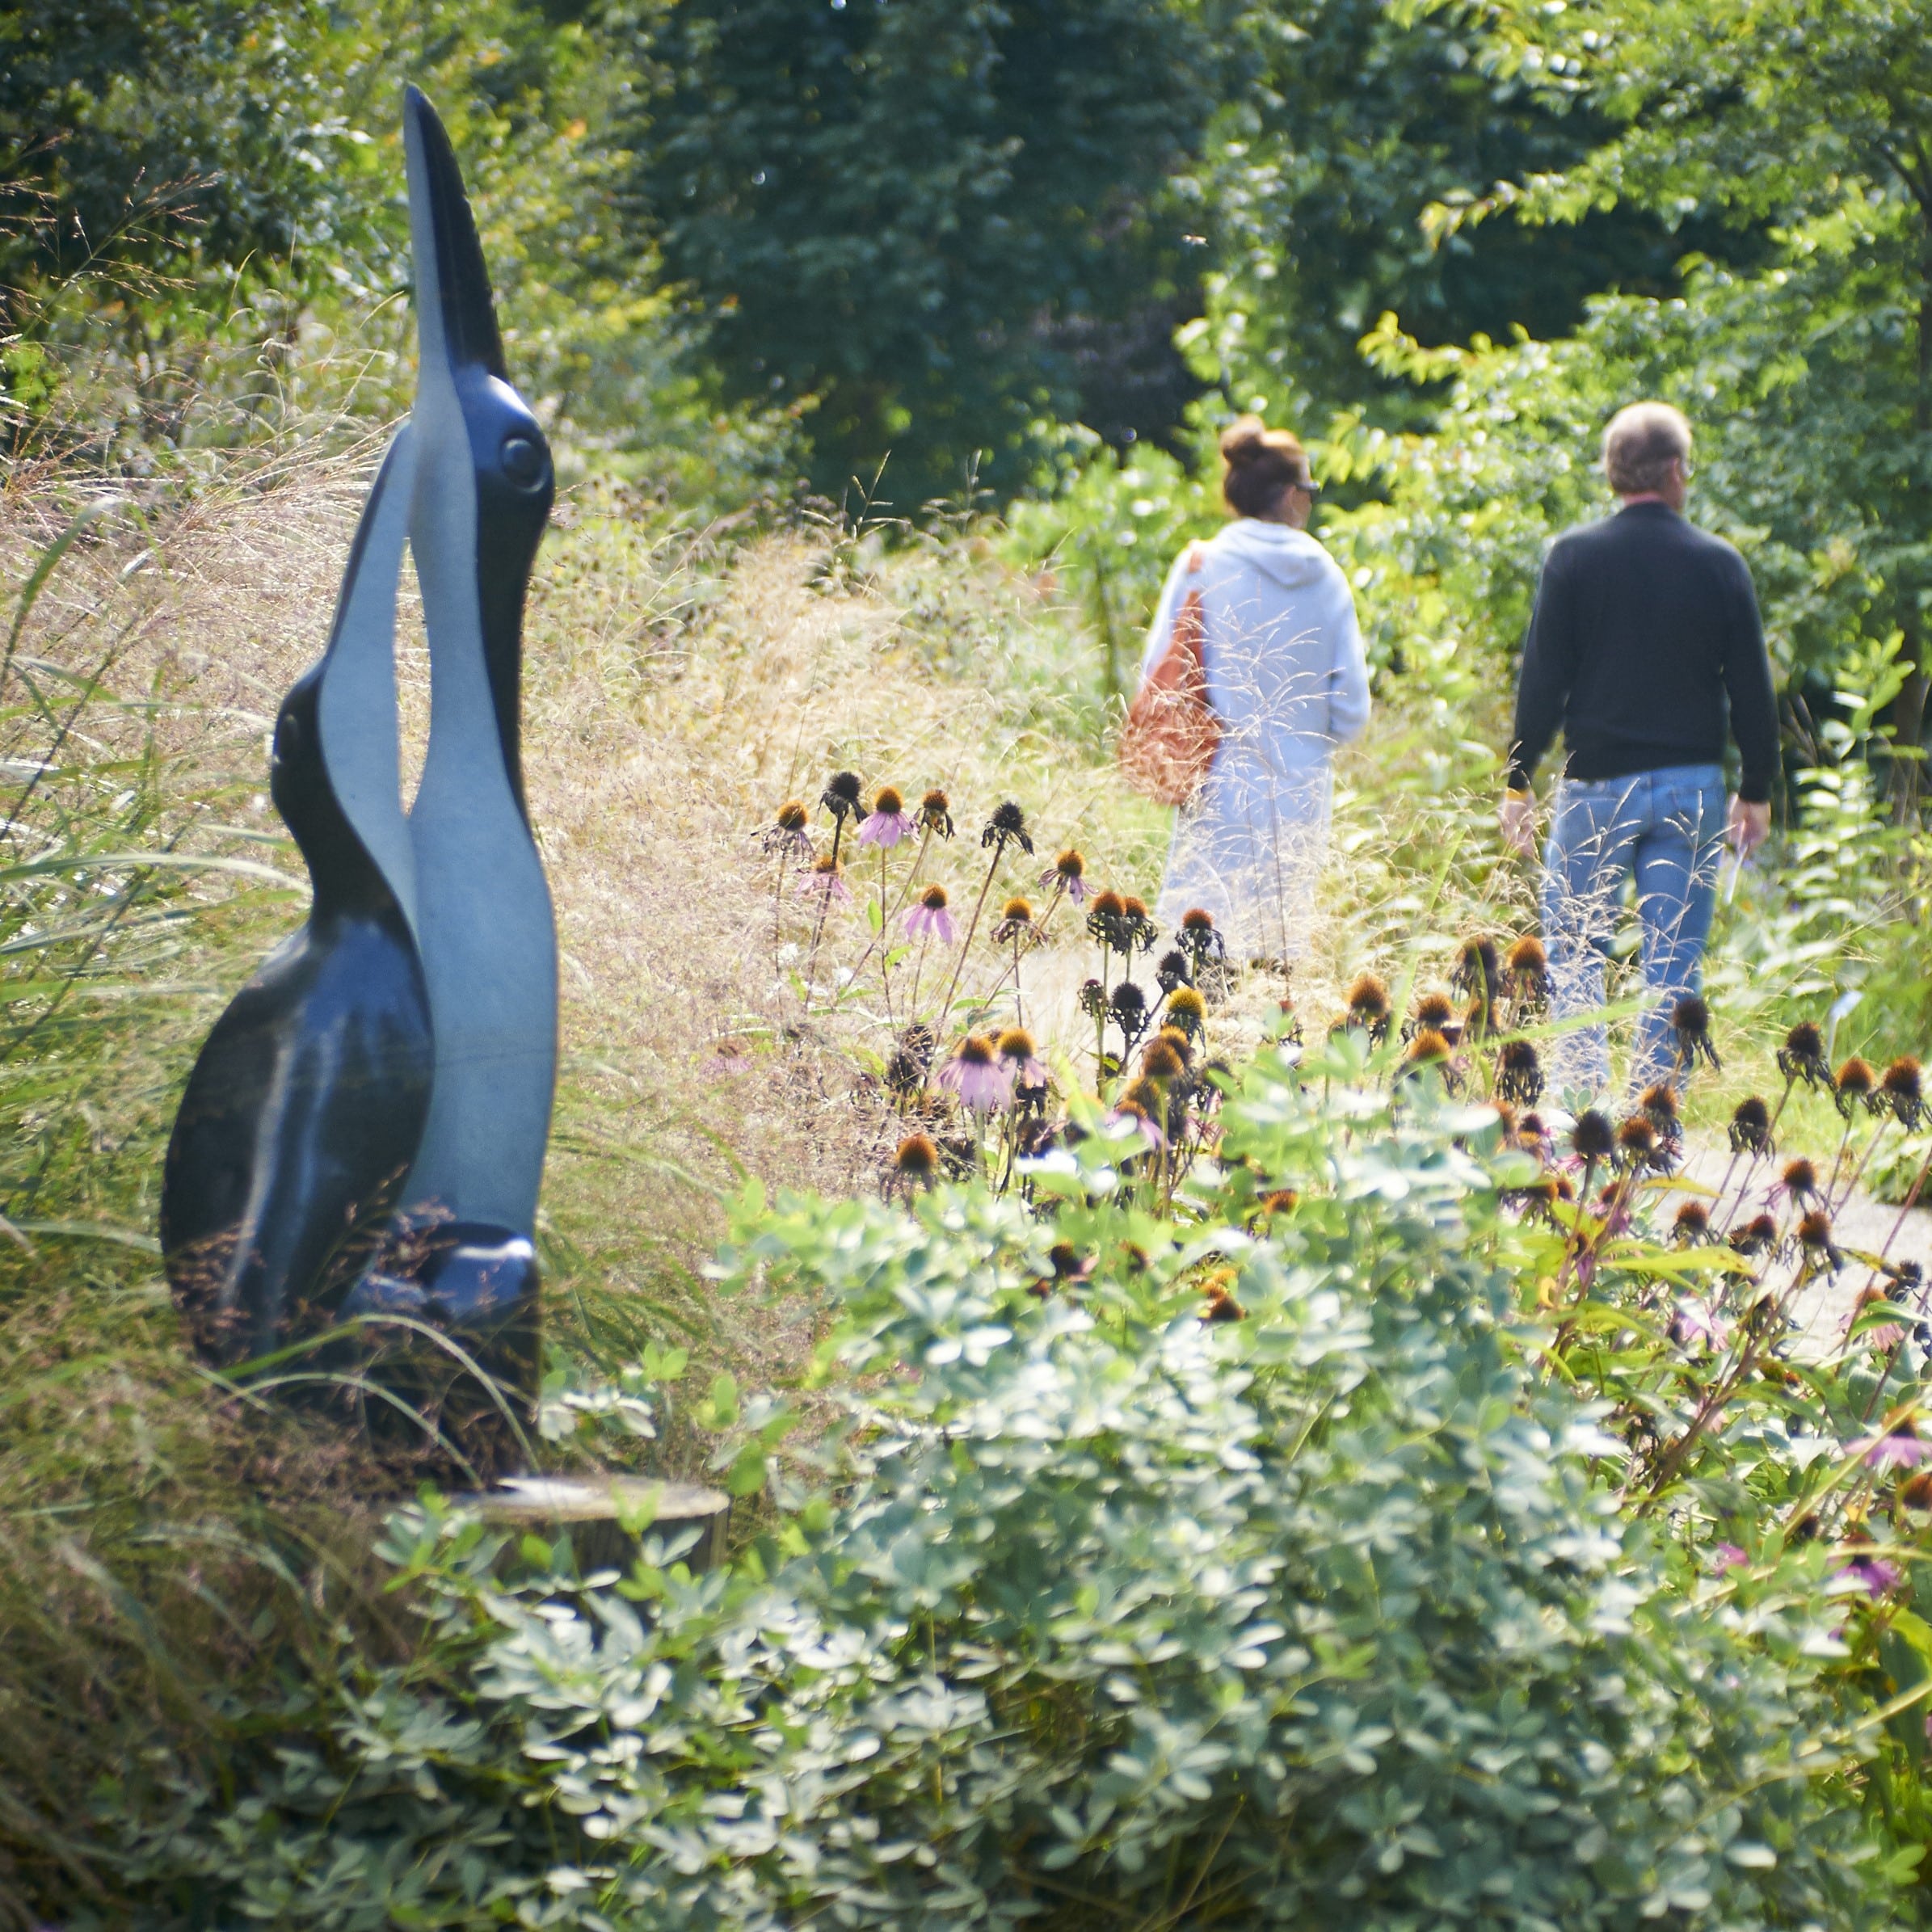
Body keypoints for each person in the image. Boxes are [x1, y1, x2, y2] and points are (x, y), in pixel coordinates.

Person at [1499, 401, 1778, 1094]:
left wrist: (1517, 778)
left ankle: (1579, 1115)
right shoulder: (1718, 563)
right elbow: (1751, 686)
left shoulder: (1573, 557)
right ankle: (1655, 1121)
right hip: (1690, 787)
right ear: (1675, 470)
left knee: (1574, 949)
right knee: (1674, 961)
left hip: (1595, 784)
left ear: (1611, 472)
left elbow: (1543, 680)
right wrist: (1756, 789)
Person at [1139, 416, 1372, 965]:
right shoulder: (1327, 576)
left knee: (1198, 953)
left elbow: (1156, 674)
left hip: (1218, 786)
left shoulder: (1200, 565)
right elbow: (1352, 709)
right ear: (1291, 495)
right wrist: (1305, 740)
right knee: (1277, 957)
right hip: (1299, 794)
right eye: (1310, 489)